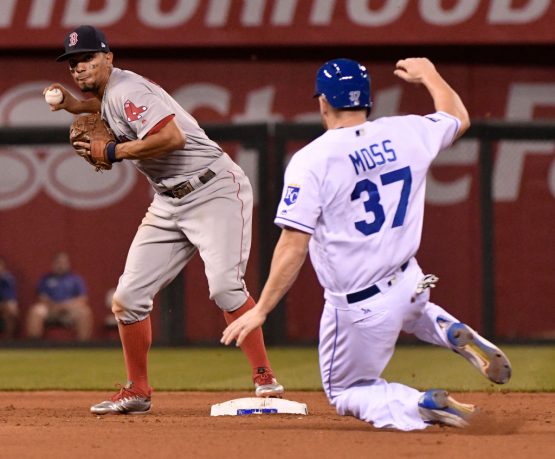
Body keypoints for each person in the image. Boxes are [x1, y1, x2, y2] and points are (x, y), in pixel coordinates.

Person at [222, 57, 512, 430]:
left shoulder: (312, 160)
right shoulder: (406, 131)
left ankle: (422, 404)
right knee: (413, 307)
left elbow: (293, 245)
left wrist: (261, 309)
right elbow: (458, 116)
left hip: (361, 302)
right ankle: (448, 329)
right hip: (410, 278)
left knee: (345, 389)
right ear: (368, 100)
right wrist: (430, 75)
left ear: (323, 102)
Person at [46, 25, 283, 415]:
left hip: (214, 190)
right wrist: (76, 106)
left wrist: (116, 150)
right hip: (168, 201)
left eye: (87, 58)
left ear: (109, 57)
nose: (79, 69)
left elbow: (172, 138)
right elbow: (107, 108)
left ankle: (264, 375)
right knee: (127, 300)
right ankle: (137, 390)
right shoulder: (110, 94)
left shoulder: (128, 90)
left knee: (225, 287)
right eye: (73, 64)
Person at [26, 252, 93, 341]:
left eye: (64, 263)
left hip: (70, 310)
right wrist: (55, 306)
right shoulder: (45, 279)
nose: (61, 265)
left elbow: (82, 299)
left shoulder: (75, 279)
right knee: (36, 311)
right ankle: (34, 343)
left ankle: (82, 345)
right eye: (58, 263)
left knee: (85, 312)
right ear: (53, 264)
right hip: (51, 310)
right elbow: (42, 298)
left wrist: (67, 305)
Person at [0, 257, 19, 339]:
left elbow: (9, 299)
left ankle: (9, 341)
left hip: (3, 306)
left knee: (11, 309)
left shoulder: (7, 279)